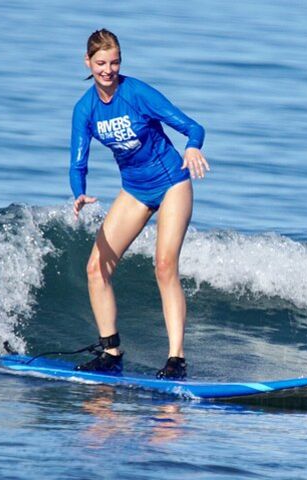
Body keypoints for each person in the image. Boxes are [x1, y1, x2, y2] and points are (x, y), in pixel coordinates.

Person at [70, 29, 209, 379]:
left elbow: (192, 126)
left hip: (172, 182)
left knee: (164, 266)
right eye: (101, 62)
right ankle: (111, 351)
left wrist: (192, 146)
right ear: (88, 62)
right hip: (134, 189)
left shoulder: (137, 93)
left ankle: (176, 359)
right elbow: (78, 163)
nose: (108, 69)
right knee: (96, 268)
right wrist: (79, 192)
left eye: (114, 61)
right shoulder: (85, 109)